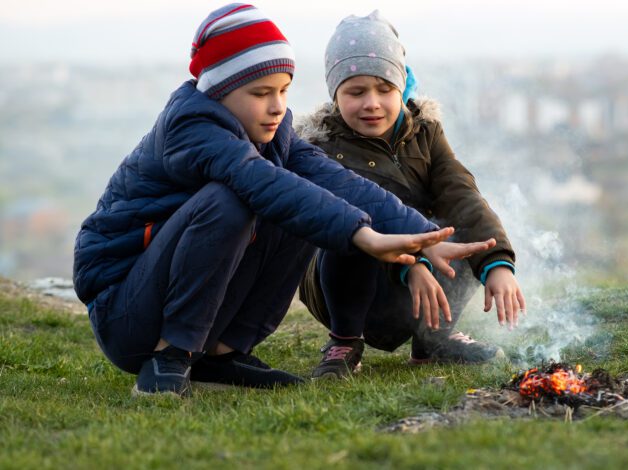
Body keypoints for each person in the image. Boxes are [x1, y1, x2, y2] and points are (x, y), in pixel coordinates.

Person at [72, 4, 488, 397]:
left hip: (163, 297)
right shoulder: (192, 124)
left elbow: (334, 180)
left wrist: (424, 235)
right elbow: (260, 182)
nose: (276, 107)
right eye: (260, 93)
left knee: (307, 200)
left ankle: (221, 355)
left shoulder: (273, 130)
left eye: (284, 91)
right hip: (125, 314)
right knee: (233, 199)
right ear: (220, 90)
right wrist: (364, 235)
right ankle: (169, 356)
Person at [297, 11, 527, 379]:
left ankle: (433, 338)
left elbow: (461, 193)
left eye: (384, 89)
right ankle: (344, 340)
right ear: (335, 93)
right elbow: (368, 209)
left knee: (461, 229)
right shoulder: (322, 147)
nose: (372, 102)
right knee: (349, 228)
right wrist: (414, 263)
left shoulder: (426, 133)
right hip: (347, 284)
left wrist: (497, 261)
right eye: (356, 92)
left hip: (419, 271)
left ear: (401, 86)